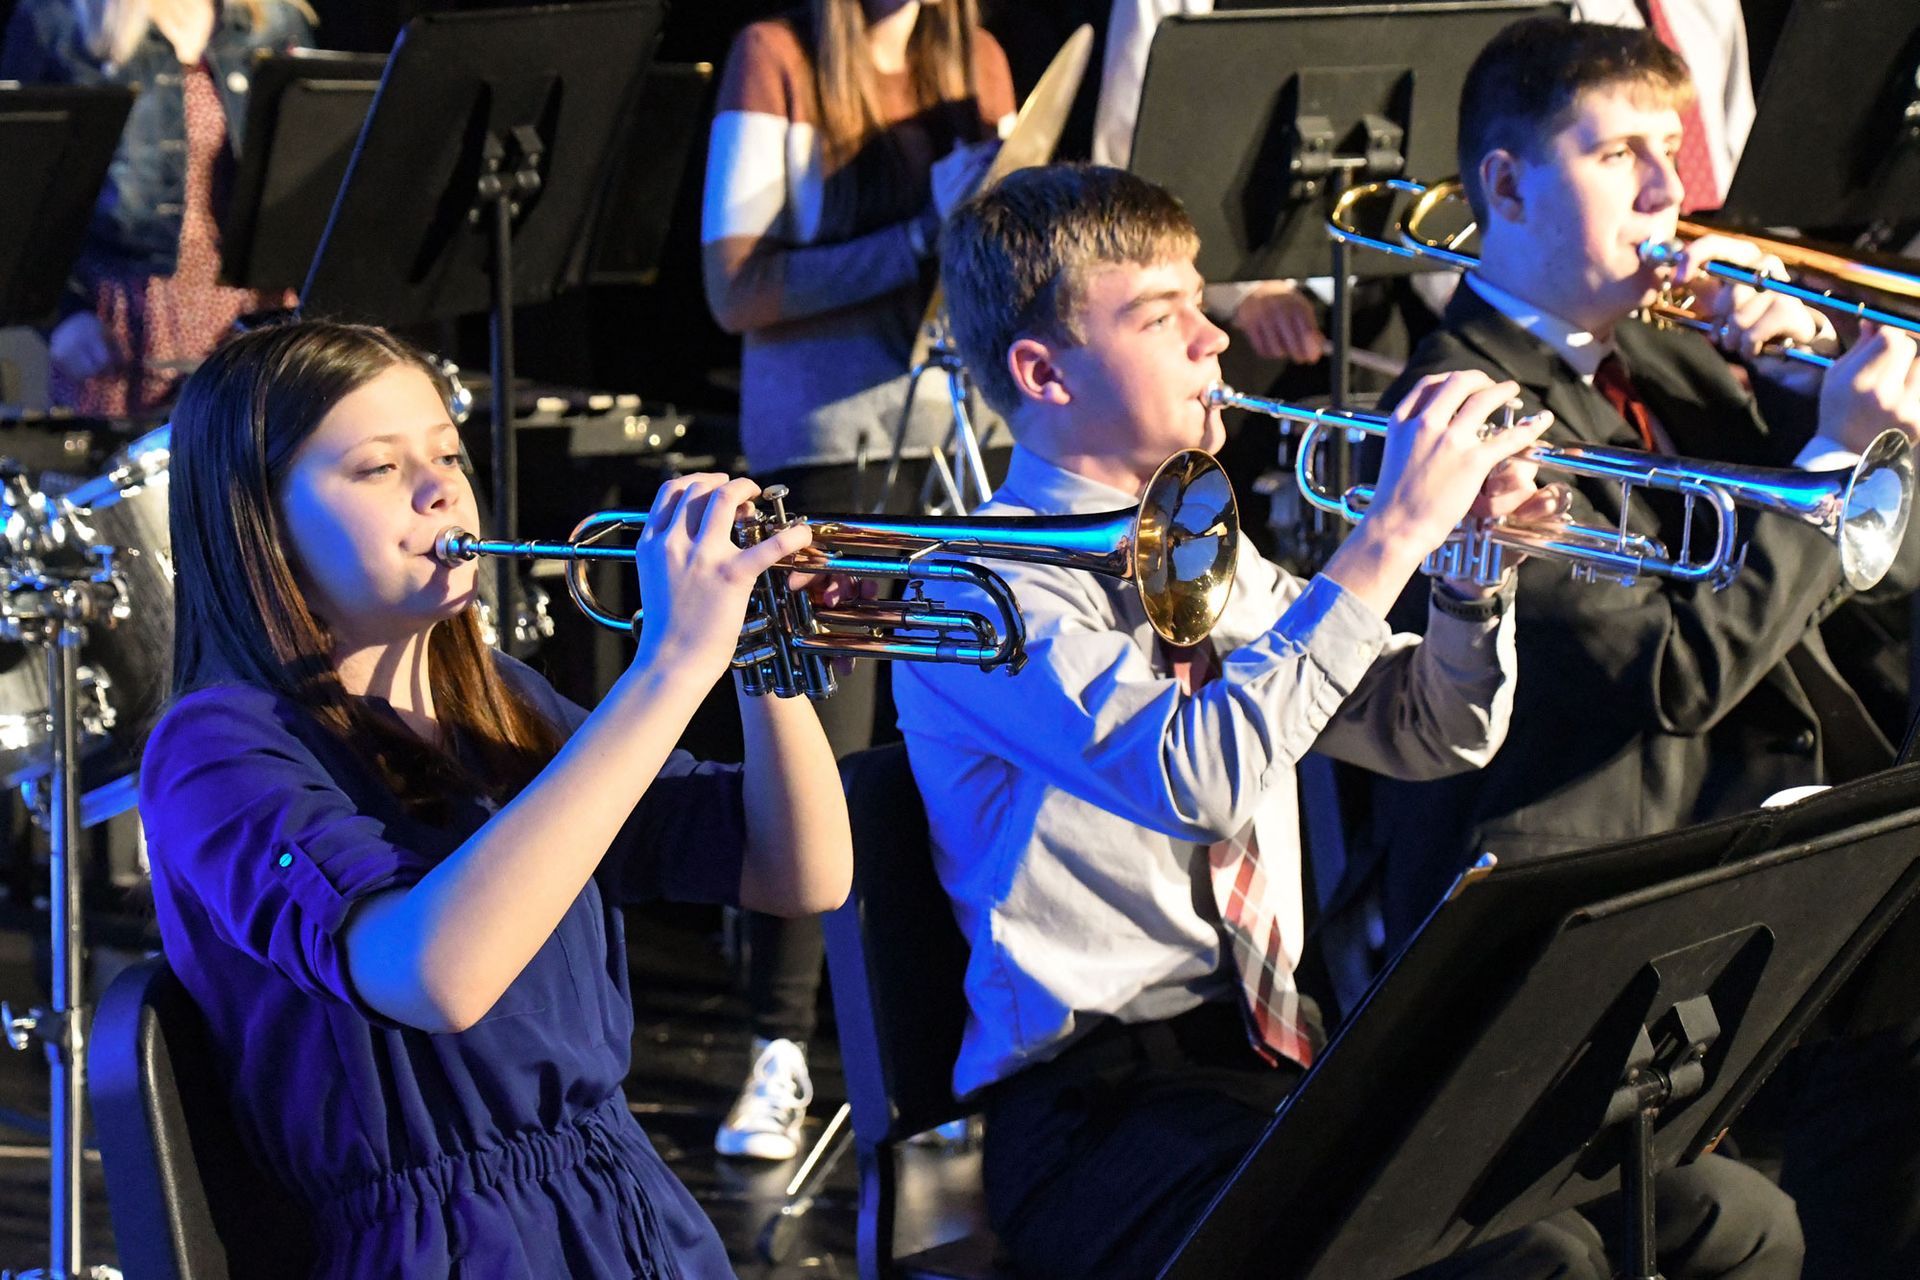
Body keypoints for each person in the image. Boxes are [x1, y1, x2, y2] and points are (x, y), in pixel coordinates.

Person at [890, 161, 1802, 1280]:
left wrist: (1471, 578)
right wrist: (1386, 540)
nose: (1214, 341)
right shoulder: (969, 590)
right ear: (1043, 371)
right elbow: (1199, 774)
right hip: (1098, 1117)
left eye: (1202, 301)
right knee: (1540, 1261)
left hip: (1291, 1062)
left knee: (1732, 1216)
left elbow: (1428, 732)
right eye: (1161, 315)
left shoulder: (1204, 551)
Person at [1358, 18, 1920, 1278]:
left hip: (1747, 848)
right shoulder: (1463, 414)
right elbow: (1678, 672)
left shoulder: (1670, 358)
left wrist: (1830, 392)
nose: (1674, 194)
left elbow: (1890, 566)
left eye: (1673, 150)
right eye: (1624, 155)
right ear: (1504, 186)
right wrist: (1832, 455)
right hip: (1577, 923)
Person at [138, 320, 854, 1277]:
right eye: (377, 468)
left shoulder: (500, 696)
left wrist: (767, 652)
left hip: (623, 1209)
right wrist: (674, 663)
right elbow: (434, 973)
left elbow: (797, 873)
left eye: (446, 454)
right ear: (258, 520)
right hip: (437, 1246)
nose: (440, 488)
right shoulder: (216, 750)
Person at [700, 0, 1015, 1160]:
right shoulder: (775, 54)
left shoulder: (973, 58)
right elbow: (736, 288)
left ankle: (949, 1045)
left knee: (953, 745)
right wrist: (920, 239)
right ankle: (776, 1045)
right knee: (814, 754)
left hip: (956, 441)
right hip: (825, 443)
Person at [0, 0, 315, 415]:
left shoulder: (275, 21)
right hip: (129, 315)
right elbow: (19, 192)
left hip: (255, 309)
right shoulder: (58, 22)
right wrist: (61, 316)